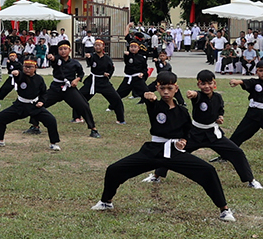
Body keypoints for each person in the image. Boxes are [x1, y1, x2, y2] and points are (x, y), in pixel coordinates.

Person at [90, 72, 236, 221]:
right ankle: (106, 202)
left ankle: (224, 209)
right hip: (152, 151)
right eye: (162, 88)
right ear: (158, 88)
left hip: (174, 152)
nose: (166, 92)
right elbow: (147, 95)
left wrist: (183, 141)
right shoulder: (154, 105)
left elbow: (187, 131)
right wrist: (149, 96)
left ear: (176, 89)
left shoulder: (182, 111)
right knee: (114, 169)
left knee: (208, 171)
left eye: (170, 88)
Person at [149, 70, 261, 188]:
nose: (206, 86)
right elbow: (195, 95)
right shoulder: (198, 96)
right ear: (198, 85)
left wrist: (220, 117)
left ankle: (251, 180)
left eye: (209, 83)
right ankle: (156, 176)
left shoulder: (218, 97)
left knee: (237, 152)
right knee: (171, 152)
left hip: (213, 135)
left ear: (214, 84)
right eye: (203, 84)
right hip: (195, 134)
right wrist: (191, 94)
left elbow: (220, 110)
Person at [0, 58, 61, 151]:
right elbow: (18, 74)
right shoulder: (21, 76)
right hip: (20, 105)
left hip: (34, 106)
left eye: (30, 67)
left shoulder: (39, 79)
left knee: (51, 120)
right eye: (25, 67)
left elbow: (44, 93)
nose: (27, 69)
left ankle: (53, 143)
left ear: (35, 67)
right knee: (1, 117)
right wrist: (16, 73)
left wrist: (42, 101)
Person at [42, 42, 101, 138]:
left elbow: (81, 74)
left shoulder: (75, 63)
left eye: (65, 49)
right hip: (56, 88)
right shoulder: (57, 60)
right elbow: (53, 60)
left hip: (69, 89)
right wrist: (51, 58)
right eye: (61, 49)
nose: (63, 51)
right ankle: (34, 126)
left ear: (70, 50)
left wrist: (77, 80)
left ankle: (93, 129)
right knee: (40, 104)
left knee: (84, 105)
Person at [79, 38, 125, 125]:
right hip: (92, 81)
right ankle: (77, 117)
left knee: (116, 99)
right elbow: (90, 63)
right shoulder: (92, 56)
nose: (97, 47)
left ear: (103, 47)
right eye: (95, 45)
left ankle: (120, 119)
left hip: (103, 82)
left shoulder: (107, 58)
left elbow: (111, 68)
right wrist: (88, 58)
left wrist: (108, 74)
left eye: (99, 45)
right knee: (79, 97)